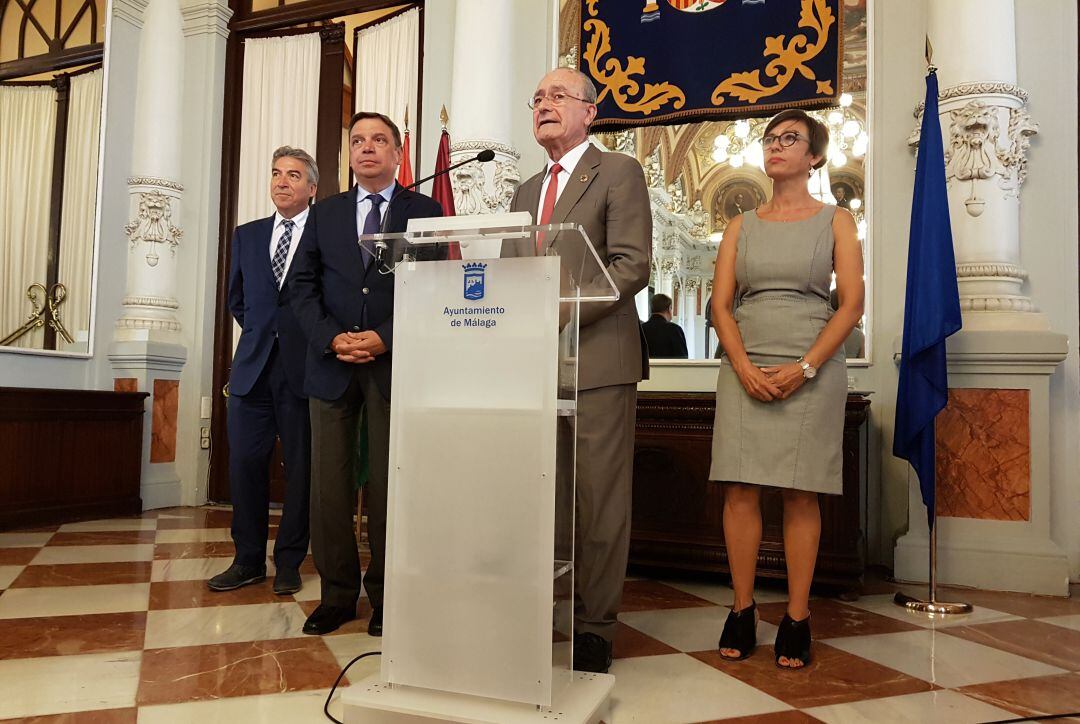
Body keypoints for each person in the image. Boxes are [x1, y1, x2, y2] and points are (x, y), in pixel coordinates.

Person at [503, 67, 651, 673]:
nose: (543, 104)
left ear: (591, 112)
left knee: (598, 497)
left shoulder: (618, 171)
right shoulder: (523, 190)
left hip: (597, 361)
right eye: (537, 96)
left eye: (557, 96)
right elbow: (514, 275)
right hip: (533, 368)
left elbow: (631, 265)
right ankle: (542, 608)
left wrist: (558, 311)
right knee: (543, 495)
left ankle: (595, 624)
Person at [708, 109, 863, 669]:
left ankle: (797, 616)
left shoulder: (836, 221)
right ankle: (743, 609)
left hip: (812, 368)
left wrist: (806, 367)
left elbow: (850, 305)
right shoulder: (740, 225)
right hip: (744, 363)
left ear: (815, 155)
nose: (776, 146)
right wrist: (743, 364)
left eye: (789, 139)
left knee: (802, 492)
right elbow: (721, 305)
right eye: (770, 139)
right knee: (740, 490)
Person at [290, 111, 442, 636]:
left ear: (399, 154)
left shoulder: (424, 209)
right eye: (357, 141)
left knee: (388, 487)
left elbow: (435, 286)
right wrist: (332, 338)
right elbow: (301, 287)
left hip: (394, 365)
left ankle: (386, 597)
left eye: (379, 140)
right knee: (328, 488)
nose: (367, 148)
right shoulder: (323, 212)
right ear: (348, 153)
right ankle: (336, 595)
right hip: (330, 365)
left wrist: (387, 336)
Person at [208, 147, 317, 596]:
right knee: (245, 465)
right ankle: (247, 559)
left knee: (301, 469)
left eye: (293, 175)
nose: (282, 182)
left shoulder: (324, 234)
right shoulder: (247, 235)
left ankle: (289, 561)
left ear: (312, 187)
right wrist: (263, 334)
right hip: (252, 369)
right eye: (276, 173)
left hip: (304, 370)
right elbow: (239, 300)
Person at [641, 293, 688, 358]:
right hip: (670, 368)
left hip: (646, 368)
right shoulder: (675, 330)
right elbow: (682, 359)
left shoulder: (641, 329)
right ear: (669, 309)